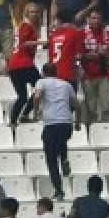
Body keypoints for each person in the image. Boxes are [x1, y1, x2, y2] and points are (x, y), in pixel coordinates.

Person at [32, 64, 78, 201]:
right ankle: (64, 158)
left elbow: (37, 96)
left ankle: (59, 190)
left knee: (51, 160)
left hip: (51, 123)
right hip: (67, 124)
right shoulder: (66, 84)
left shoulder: (42, 82)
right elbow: (77, 104)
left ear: (43, 73)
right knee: (61, 140)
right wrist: (78, 122)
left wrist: (35, 113)